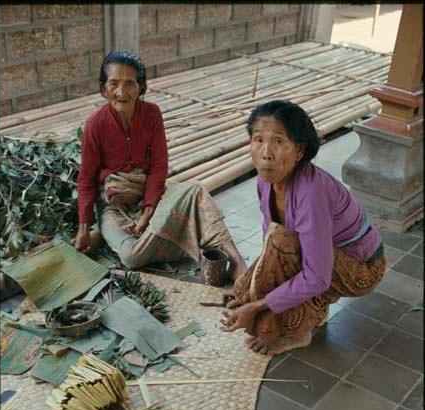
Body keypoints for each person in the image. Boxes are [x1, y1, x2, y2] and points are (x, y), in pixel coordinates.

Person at [220, 99, 386, 354]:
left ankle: (302, 331)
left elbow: (316, 275)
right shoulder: (265, 182)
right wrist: (251, 287)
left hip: (361, 269)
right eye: (258, 139)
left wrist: (256, 307)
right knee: (243, 289)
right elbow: (270, 246)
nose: (266, 152)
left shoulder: (312, 192)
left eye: (278, 141)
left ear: (299, 151)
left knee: (265, 323)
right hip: (324, 259)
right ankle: (315, 308)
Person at [74, 50, 246, 280]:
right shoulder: (94, 125)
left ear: (141, 87)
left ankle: (236, 261)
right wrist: (84, 228)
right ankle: (194, 238)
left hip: (152, 195)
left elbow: (158, 167)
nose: (121, 92)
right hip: (115, 207)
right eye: (113, 83)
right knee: (131, 257)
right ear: (103, 88)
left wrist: (147, 214)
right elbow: (85, 180)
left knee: (195, 192)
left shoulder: (152, 114)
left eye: (130, 84)